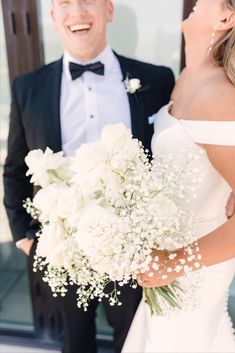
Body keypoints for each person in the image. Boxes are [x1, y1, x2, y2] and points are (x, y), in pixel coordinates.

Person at [3, 1, 175, 352]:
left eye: (88, 0)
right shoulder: (27, 88)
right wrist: (26, 238)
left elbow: (172, 158)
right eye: (65, 3)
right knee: (75, 342)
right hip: (63, 256)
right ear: (53, 17)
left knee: (134, 340)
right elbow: (15, 172)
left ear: (108, 10)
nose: (78, 12)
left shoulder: (157, 80)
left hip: (134, 253)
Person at [122, 0, 235, 352]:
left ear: (226, 17)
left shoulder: (218, 94)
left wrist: (175, 263)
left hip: (195, 269)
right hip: (167, 259)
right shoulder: (188, 76)